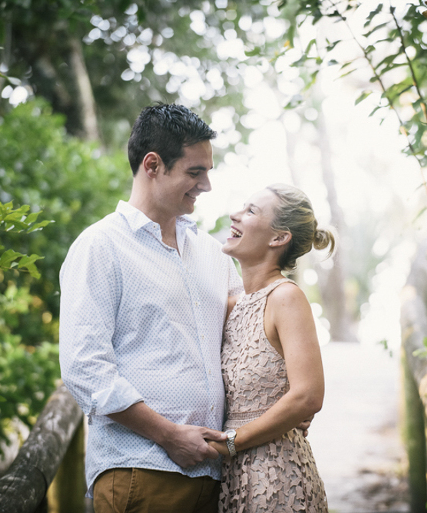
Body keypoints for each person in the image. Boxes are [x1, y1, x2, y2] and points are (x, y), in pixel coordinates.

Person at [59, 103, 244, 513]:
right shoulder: (100, 247)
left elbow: (245, 336)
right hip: (141, 473)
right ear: (153, 165)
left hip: (216, 478)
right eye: (195, 172)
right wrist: (169, 436)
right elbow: (85, 367)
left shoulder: (215, 255)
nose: (207, 185)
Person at [209, 183, 334, 512]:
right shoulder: (231, 306)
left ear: (279, 238)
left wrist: (233, 442)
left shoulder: (285, 298)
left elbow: (308, 395)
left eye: (251, 211)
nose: (235, 215)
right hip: (229, 479)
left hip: (278, 478)